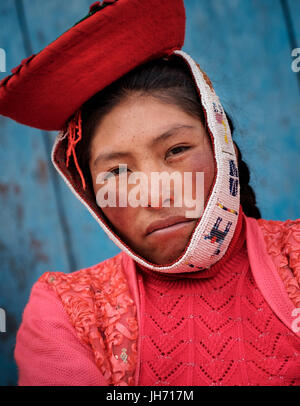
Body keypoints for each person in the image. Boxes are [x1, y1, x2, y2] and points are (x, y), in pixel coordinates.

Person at [0, 0, 299, 386]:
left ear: (223, 148)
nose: (155, 195)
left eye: (176, 150)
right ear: (89, 192)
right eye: (118, 172)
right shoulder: (66, 313)